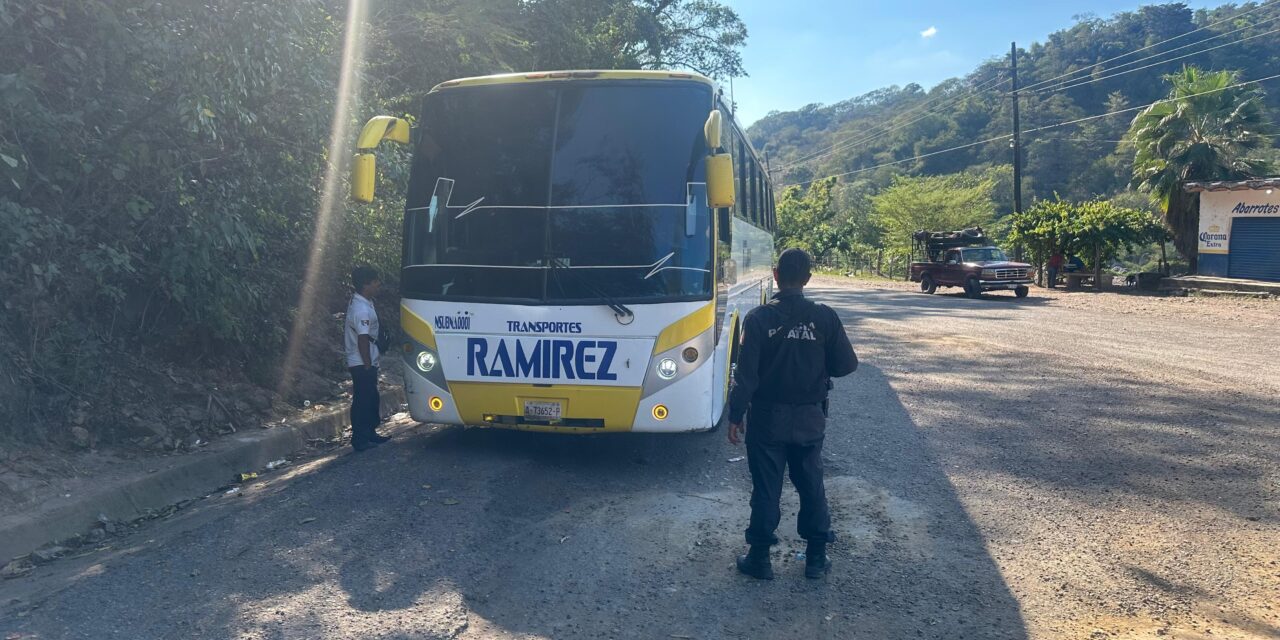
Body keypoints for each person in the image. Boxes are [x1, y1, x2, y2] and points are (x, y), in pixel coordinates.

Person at [728, 248, 858, 580]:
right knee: (812, 485)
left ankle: (759, 559)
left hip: (767, 419)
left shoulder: (758, 319)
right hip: (809, 419)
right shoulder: (825, 317)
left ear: (775, 275)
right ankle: (816, 558)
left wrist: (735, 416)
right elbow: (846, 365)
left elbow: (746, 377)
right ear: (808, 279)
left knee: (766, 488)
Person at [345, 266, 390, 452]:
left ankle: (370, 432)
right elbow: (362, 339)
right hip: (362, 362)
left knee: (371, 397)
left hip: (368, 359)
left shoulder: (365, 302)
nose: (378, 284)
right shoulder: (361, 309)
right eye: (374, 281)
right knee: (363, 400)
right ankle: (360, 438)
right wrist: (367, 364)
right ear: (365, 284)